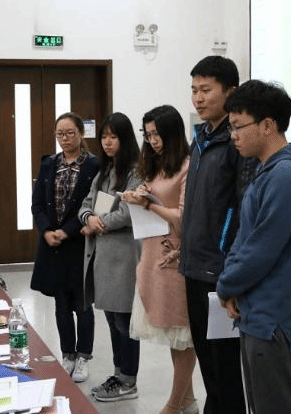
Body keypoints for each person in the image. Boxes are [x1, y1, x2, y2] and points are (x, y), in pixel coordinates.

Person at [216, 80, 291, 414]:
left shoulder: (286, 176)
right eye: (231, 128)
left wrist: (226, 286)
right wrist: (232, 286)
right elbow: (243, 238)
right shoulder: (267, 172)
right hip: (258, 312)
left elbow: (261, 250)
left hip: (276, 319)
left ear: (267, 125)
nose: (233, 136)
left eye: (238, 127)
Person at [179, 55, 255, 414]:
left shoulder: (237, 143)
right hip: (194, 267)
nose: (198, 97)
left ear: (231, 92)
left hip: (219, 273)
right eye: (194, 90)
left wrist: (231, 270)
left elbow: (241, 213)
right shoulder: (200, 139)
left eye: (206, 90)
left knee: (224, 370)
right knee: (208, 366)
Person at [122, 106, 196, 414]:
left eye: (157, 134)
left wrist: (148, 205)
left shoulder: (188, 167)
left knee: (183, 334)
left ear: (172, 133)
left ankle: (173, 404)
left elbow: (183, 218)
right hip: (152, 255)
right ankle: (188, 400)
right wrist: (140, 195)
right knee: (171, 333)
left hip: (174, 257)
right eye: (148, 134)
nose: (152, 140)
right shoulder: (158, 166)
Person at [77, 112, 142, 401]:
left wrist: (97, 223)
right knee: (113, 321)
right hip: (102, 257)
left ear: (125, 139)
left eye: (113, 136)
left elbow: (128, 213)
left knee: (125, 323)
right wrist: (89, 218)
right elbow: (86, 204)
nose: (107, 142)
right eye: (104, 136)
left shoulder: (136, 171)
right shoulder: (104, 172)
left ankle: (128, 380)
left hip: (124, 257)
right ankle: (119, 375)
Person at [30, 112, 100, 382]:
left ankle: (83, 357)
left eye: (70, 133)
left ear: (81, 134)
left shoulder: (93, 165)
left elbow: (92, 205)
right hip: (53, 245)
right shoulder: (49, 164)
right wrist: (46, 230)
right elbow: (37, 204)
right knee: (61, 305)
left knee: (82, 304)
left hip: (80, 243)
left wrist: (66, 231)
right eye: (60, 134)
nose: (65, 139)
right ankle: (68, 354)